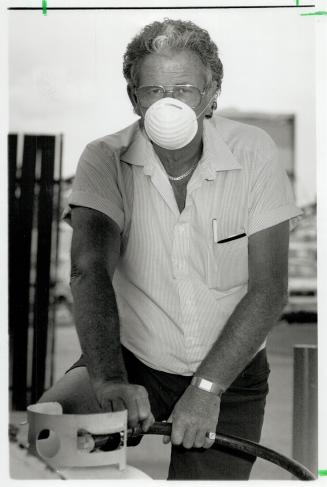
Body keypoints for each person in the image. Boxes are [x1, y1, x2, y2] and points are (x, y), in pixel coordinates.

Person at [39, 19, 302, 480]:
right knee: (52, 436)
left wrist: (205, 389)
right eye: (154, 90)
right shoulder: (104, 157)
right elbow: (90, 269)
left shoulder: (254, 152)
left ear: (212, 93)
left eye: (184, 89)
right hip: (132, 357)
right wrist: (109, 378)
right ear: (133, 98)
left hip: (230, 374)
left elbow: (268, 289)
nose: (168, 104)